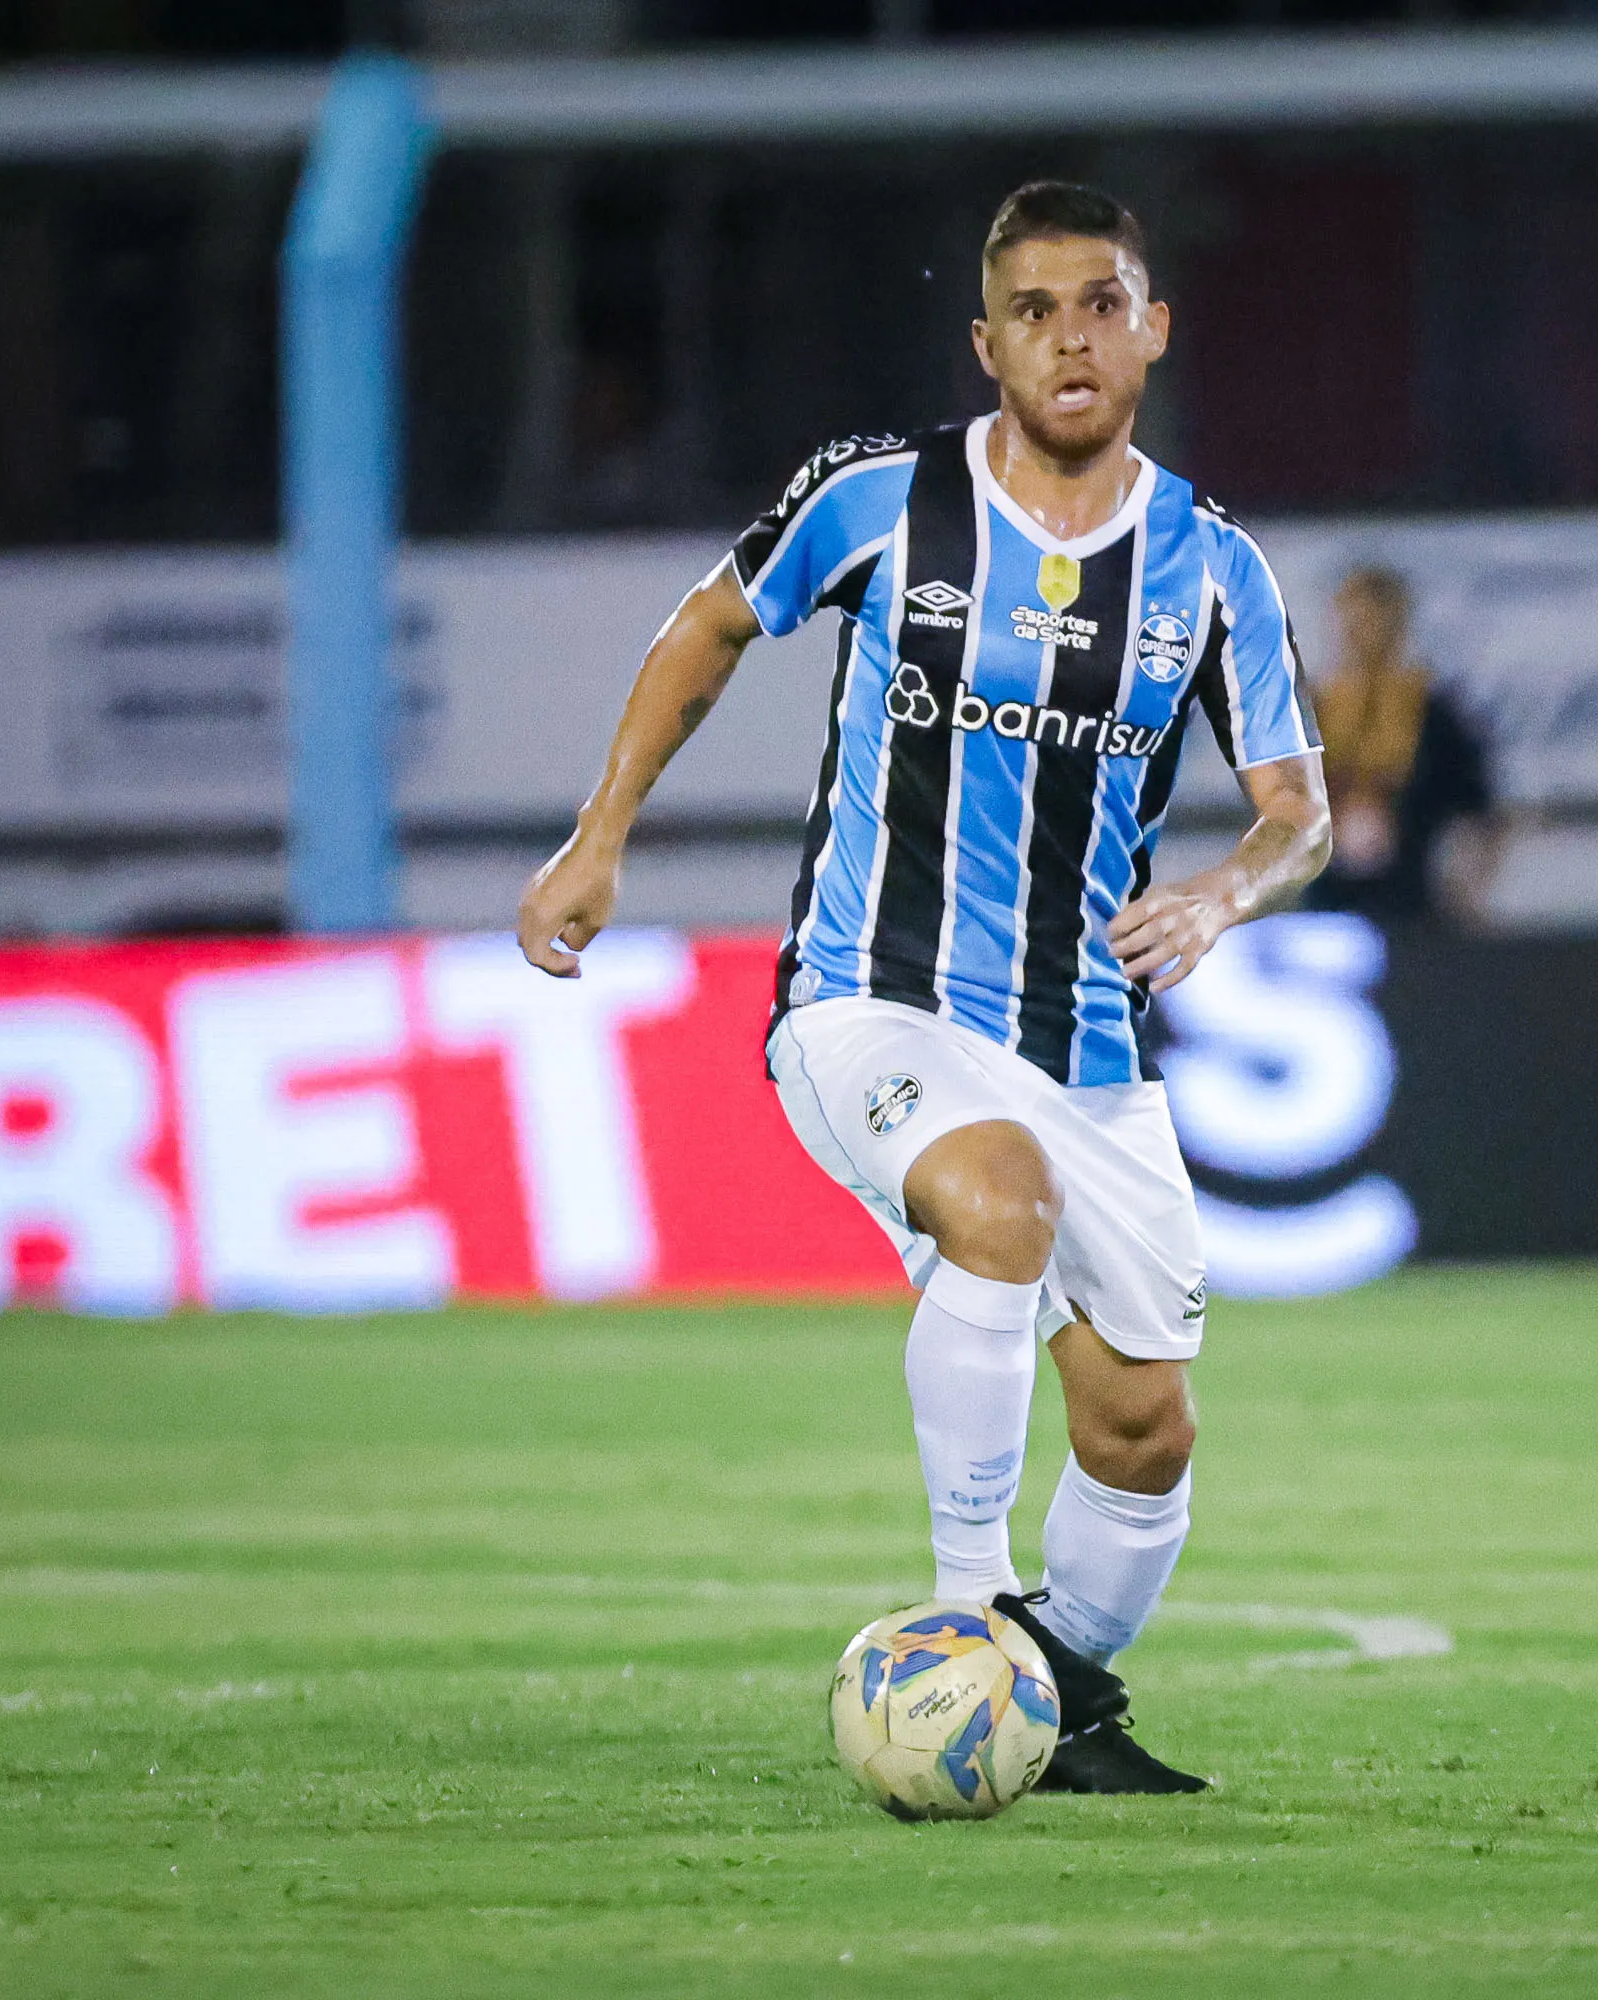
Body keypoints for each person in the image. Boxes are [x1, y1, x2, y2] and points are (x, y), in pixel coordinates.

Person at [516, 182, 1331, 1794]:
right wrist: (599, 835)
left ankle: (1059, 1689)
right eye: (1033, 311)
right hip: (866, 999)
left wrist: (1227, 893)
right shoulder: (880, 498)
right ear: (987, 344)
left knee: (1143, 1427)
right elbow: (708, 627)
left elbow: (1299, 808)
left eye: (1101, 302)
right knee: (996, 1200)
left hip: (1085, 1043)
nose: (1071, 336)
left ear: (1153, 327)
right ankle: (960, 1624)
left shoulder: (1213, 566)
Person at [1302, 564, 1500, 928]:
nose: (1365, 634)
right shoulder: (1313, 709)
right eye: (1355, 620)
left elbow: (1482, 812)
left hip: (1412, 905)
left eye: (1378, 621)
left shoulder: (1432, 713)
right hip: (1323, 906)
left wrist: (1465, 892)